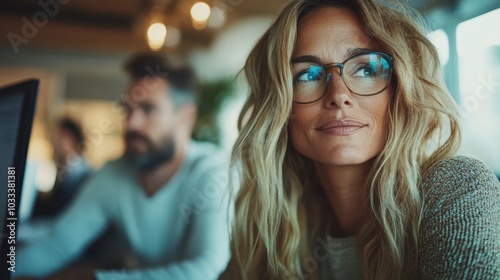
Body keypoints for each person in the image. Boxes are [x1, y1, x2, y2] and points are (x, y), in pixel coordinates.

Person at [223, 0, 500, 279]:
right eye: (307, 74)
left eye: (367, 69)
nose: (338, 95)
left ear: (400, 89)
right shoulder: (265, 225)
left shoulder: (456, 188)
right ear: (279, 107)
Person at [16, 54, 232, 280]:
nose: (131, 123)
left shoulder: (213, 172)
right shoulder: (114, 173)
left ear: (186, 117)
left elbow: (206, 269)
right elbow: (56, 245)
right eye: (128, 110)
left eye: (148, 109)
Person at [32, 117, 92, 218]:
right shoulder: (68, 172)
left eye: (56, 139)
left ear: (70, 139)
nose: (53, 145)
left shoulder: (81, 176)